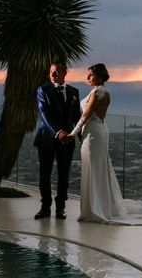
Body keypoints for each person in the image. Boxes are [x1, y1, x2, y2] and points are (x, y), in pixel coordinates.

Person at [67, 63, 142, 225]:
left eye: (90, 75)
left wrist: (72, 134)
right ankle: (102, 205)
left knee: (93, 168)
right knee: (99, 168)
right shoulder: (105, 92)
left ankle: (95, 209)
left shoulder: (97, 92)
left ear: (98, 76)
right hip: (99, 130)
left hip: (93, 133)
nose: (87, 78)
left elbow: (85, 115)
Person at [33, 61, 81, 220]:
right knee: (44, 175)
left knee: (64, 175)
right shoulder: (43, 90)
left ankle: (61, 208)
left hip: (67, 141)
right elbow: (44, 115)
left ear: (64, 73)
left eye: (57, 72)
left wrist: (82, 137)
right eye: (51, 72)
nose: (53, 75)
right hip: (46, 139)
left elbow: (77, 118)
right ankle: (45, 208)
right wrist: (58, 132)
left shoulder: (74, 91)